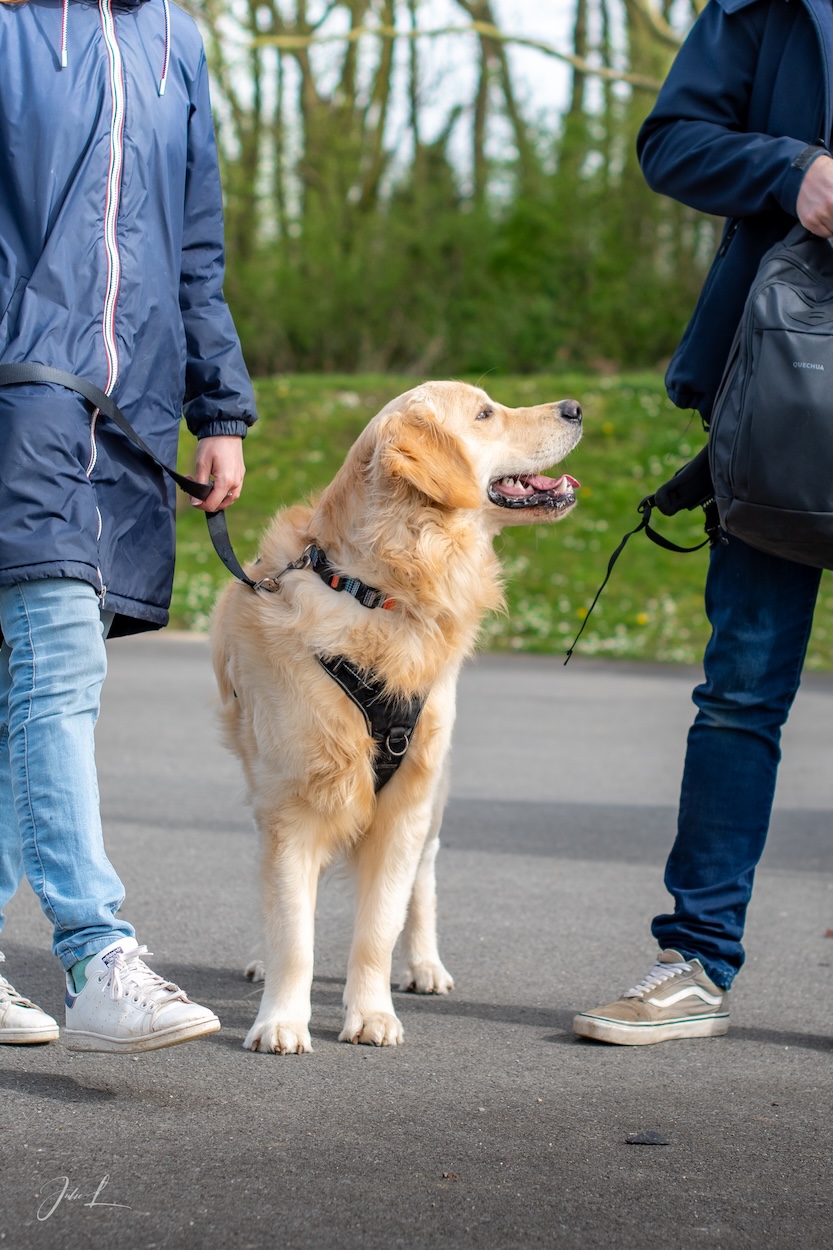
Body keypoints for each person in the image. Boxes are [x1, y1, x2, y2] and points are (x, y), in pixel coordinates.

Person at [573, 0, 832, 1044]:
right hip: (776, 381)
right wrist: (792, 172)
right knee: (739, 690)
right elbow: (669, 142)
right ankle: (692, 957)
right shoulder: (759, 5)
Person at [0, 0, 256, 1051]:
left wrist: (220, 407)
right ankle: (98, 952)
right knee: (58, 663)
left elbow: (195, 240)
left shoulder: (178, 42)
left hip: (132, 416)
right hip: (19, 392)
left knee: (26, 682)